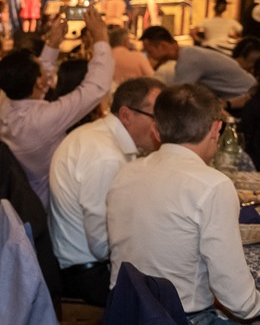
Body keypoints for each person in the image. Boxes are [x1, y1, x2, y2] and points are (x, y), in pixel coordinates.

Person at [106, 83, 260, 322]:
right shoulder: (212, 185)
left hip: (125, 311)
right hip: (181, 317)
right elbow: (238, 299)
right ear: (216, 129)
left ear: (156, 131)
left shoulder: (125, 173)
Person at [49, 77, 163, 307]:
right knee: (174, 287)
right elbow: (101, 245)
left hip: (83, 260)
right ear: (126, 115)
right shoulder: (106, 157)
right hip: (87, 273)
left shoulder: (98, 133)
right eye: (156, 117)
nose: (162, 126)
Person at [0, 7, 113, 207]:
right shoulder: (41, 120)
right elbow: (95, 89)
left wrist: (53, 43)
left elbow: (39, 76)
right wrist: (101, 38)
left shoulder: (5, 100)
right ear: (39, 82)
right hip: (48, 204)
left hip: (22, 195)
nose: (47, 69)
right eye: (41, 69)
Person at [140, 25, 256, 108]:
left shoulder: (188, 59)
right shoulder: (189, 54)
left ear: (162, 46)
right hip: (244, 95)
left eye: (149, 51)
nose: (149, 56)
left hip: (247, 98)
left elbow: (178, 96)